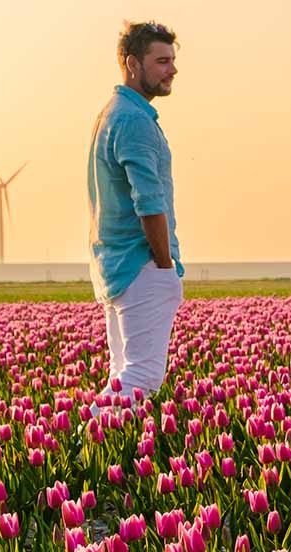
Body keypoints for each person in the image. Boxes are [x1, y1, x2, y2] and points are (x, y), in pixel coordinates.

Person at [87, 21, 184, 414]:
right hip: (140, 264)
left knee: (122, 374)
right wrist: (164, 265)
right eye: (162, 61)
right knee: (142, 378)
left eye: (173, 61)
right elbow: (149, 201)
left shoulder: (113, 114)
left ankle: (94, 457)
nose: (172, 70)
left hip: (116, 264)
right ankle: (77, 447)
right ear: (132, 63)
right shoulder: (134, 122)